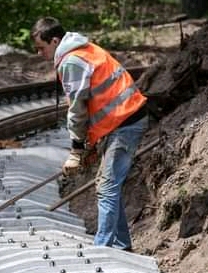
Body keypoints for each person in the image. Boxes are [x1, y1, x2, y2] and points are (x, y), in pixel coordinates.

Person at [32, 16, 149, 250]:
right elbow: (98, 103)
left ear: (54, 41)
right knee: (108, 185)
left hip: (126, 122)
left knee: (107, 187)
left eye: (40, 48)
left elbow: (78, 108)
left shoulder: (72, 61)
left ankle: (102, 249)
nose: (38, 54)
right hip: (122, 120)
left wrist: (77, 149)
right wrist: (92, 144)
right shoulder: (82, 49)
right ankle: (123, 244)